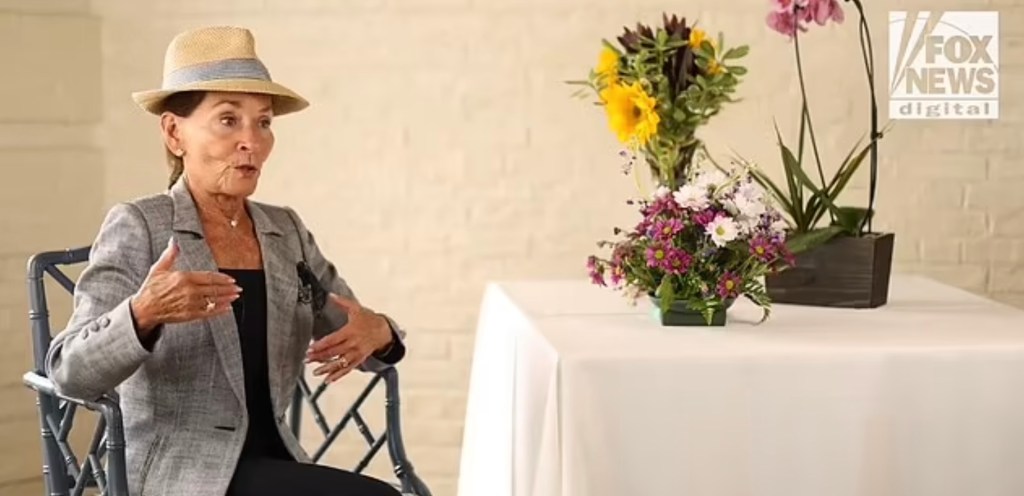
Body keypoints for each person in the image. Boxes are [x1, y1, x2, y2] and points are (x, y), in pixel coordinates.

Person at [45, 26, 406, 496]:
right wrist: (142, 314)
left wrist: (380, 331)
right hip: (179, 469)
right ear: (175, 132)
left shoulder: (285, 231)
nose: (251, 142)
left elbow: (348, 328)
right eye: (228, 120)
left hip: (274, 460)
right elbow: (68, 372)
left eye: (264, 122)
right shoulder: (141, 225)